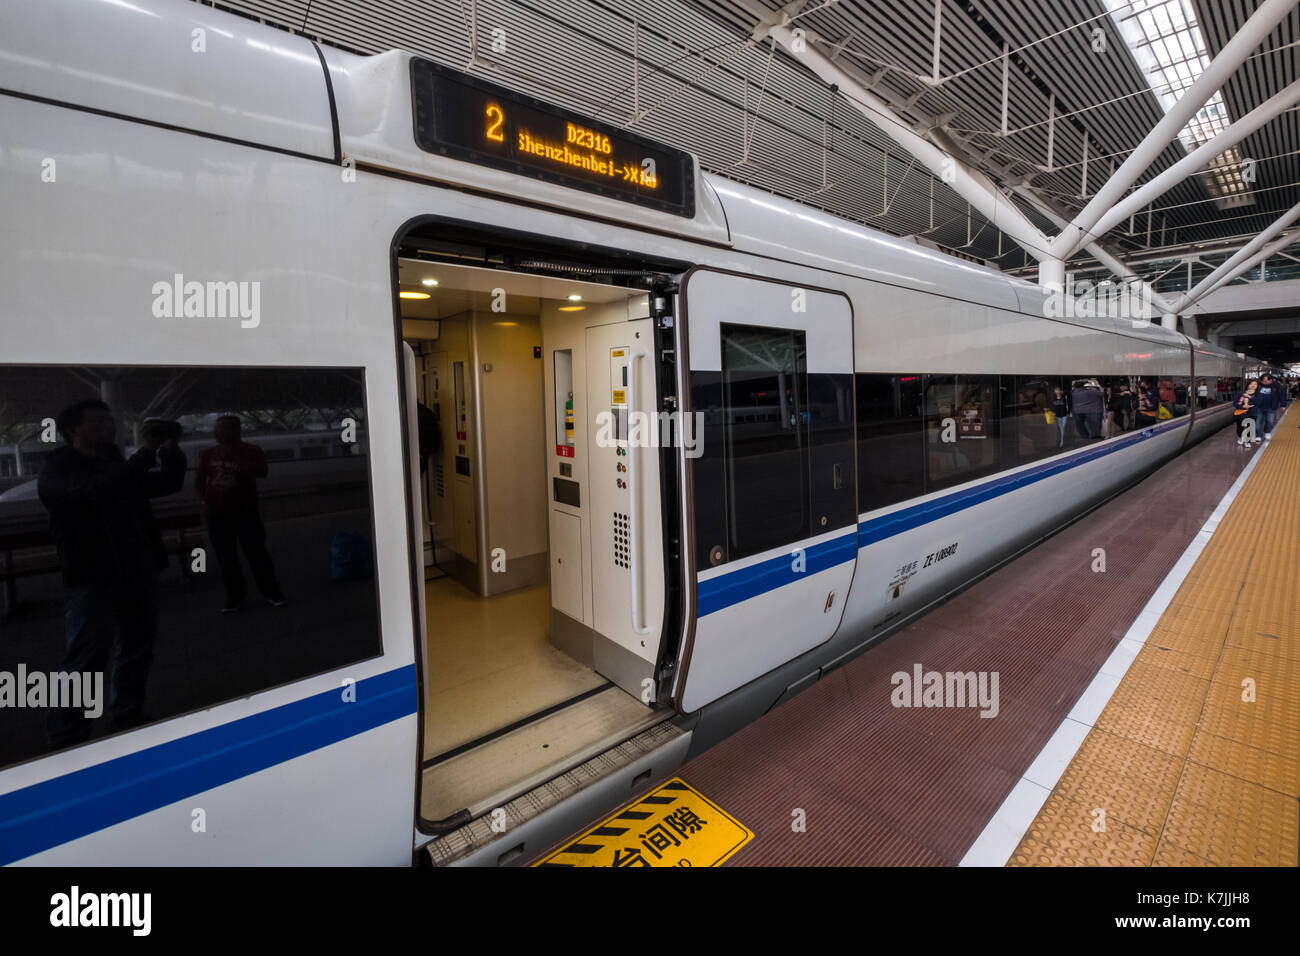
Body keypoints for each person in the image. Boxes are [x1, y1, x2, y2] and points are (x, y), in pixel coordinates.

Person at [38, 400, 187, 745]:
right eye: (99, 420)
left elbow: (165, 484)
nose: (110, 425)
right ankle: (64, 736)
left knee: (136, 648)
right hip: (93, 575)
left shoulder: (114, 462)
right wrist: (145, 453)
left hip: (138, 568)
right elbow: (94, 491)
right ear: (73, 429)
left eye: (110, 418)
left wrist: (171, 449)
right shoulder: (59, 466)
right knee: (87, 659)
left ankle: (127, 715)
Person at [195, 415, 287, 612]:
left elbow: (262, 471)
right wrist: (203, 501)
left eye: (222, 429)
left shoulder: (252, 451)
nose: (216, 432)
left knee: (257, 553)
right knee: (226, 557)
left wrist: (237, 460)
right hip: (217, 515)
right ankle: (235, 596)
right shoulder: (208, 454)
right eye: (216, 428)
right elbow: (200, 480)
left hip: (245, 512)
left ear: (235, 430)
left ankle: (271, 591)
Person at [1254, 373, 1280, 439]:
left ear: (1270, 380)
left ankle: (1267, 431)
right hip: (1259, 407)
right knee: (1257, 423)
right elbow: (1251, 391)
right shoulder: (1257, 385)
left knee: (1270, 421)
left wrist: (1283, 404)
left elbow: (1281, 394)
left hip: (1271, 407)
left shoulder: (1276, 385)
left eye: (1265, 381)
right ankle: (1258, 435)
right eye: (1263, 381)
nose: (1264, 382)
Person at [1234, 380, 1259, 446]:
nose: (1253, 385)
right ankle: (1240, 437)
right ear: (1247, 384)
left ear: (1257, 386)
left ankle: (1248, 441)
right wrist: (1242, 406)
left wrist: (1249, 397)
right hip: (1241, 413)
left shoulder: (1258, 394)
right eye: (1251, 384)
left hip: (1253, 412)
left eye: (1255, 384)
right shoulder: (1241, 393)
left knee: (1250, 427)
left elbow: (1258, 402)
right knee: (1240, 427)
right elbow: (1235, 403)